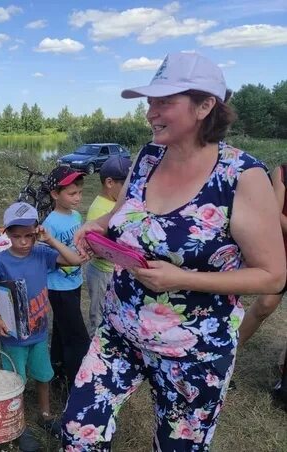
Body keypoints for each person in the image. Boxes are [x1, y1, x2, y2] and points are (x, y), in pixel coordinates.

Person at [62, 52, 286, 451]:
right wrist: (92, 227)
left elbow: (272, 275)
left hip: (193, 352)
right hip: (120, 330)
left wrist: (181, 278)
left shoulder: (241, 176)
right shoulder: (148, 158)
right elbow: (117, 216)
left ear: (205, 106)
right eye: (150, 102)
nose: (150, 112)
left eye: (164, 101)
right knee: (79, 429)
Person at [0, 202, 86, 451]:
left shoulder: (43, 253)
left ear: (36, 230)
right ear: (7, 233)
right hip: (12, 336)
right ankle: (17, 424)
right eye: (16, 236)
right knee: (15, 381)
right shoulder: (0, 262)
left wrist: (50, 240)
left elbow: (74, 260)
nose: (23, 242)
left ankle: (44, 415)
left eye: (28, 235)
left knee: (43, 375)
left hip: (39, 333)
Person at [238, 162, 287, 399]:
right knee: (265, 305)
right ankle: (229, 355)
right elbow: (274, 213)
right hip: (283, 253)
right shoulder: (283, 171)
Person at [41, 166, 90, 386]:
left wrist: (84, 251)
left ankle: (57, 370)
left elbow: (76, 244)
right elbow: (50, 258)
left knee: (62, 329)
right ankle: (76, 384)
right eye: (71, 193)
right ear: (55, 194)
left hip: (74, 281)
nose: (77, 198)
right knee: (77, 338)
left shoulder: (76, 216)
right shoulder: (49, 225)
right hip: (58, 286)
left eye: (79, 192)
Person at [84, 155, 131, 337]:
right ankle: (94, 350)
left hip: (113, 272)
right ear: (110, 182)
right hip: (102, 274)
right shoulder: (100, 210)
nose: (129, 191)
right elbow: (97, 249)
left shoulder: (114, 204)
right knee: (99, 317)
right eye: (125, 186)